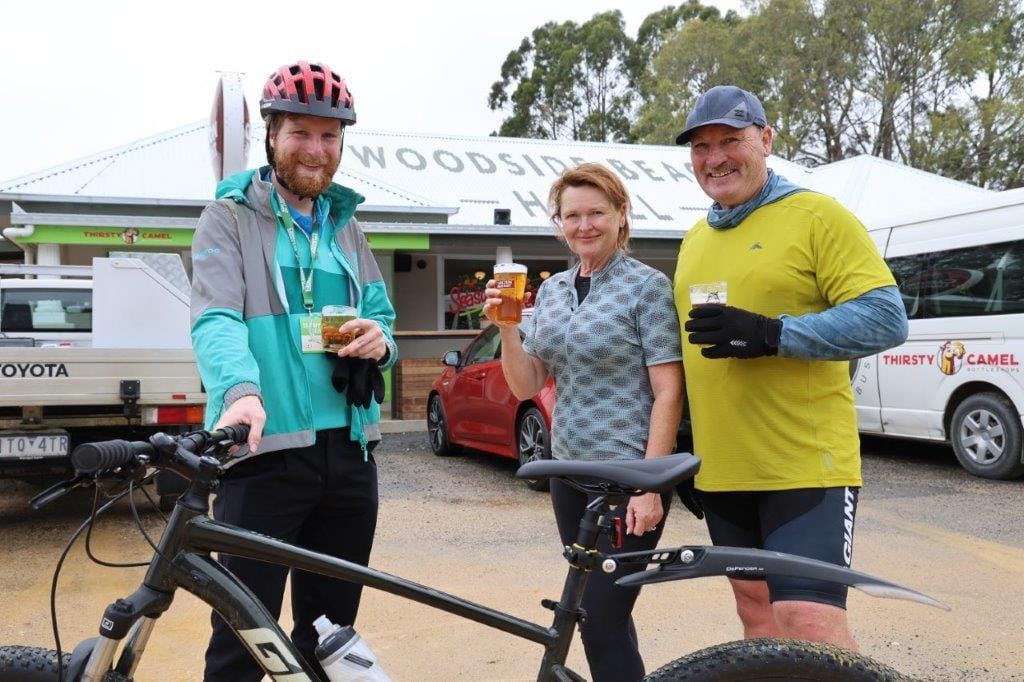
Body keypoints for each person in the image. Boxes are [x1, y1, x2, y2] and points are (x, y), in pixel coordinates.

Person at [672, 85, 909, 650]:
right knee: (755, 616)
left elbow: (885, 319)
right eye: (701, 147)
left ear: (766, 139)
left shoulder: (817, 215)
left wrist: (773, 334)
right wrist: (685, 441)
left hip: (804, 464)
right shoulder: (695, 238)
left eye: (731, 140)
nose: (716, 157)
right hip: (724, 468)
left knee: (809, 621)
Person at [190, 60, 397, 681]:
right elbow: (216, 319)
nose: (316, 149)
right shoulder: (228, 218)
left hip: (350, 452)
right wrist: (240, 392)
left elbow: (383, 314)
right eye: (301, 133)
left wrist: (378, 337)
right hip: (264, 449)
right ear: (272, 135)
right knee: (243, 635)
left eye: (329, 136)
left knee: (331, 636)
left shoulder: (347, 226)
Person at [484, 163, 683, 681]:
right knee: (593, 615)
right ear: (559, 223)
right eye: (572, 215)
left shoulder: (647, 288)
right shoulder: (551, 291)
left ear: (621, 216)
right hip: (568, 474)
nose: (584, 225)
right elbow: (528, 384)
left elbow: (668, 392)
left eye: (597, 212)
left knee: (601, 616)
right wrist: (508, 331)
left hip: (627, 479)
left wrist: (652, 485)